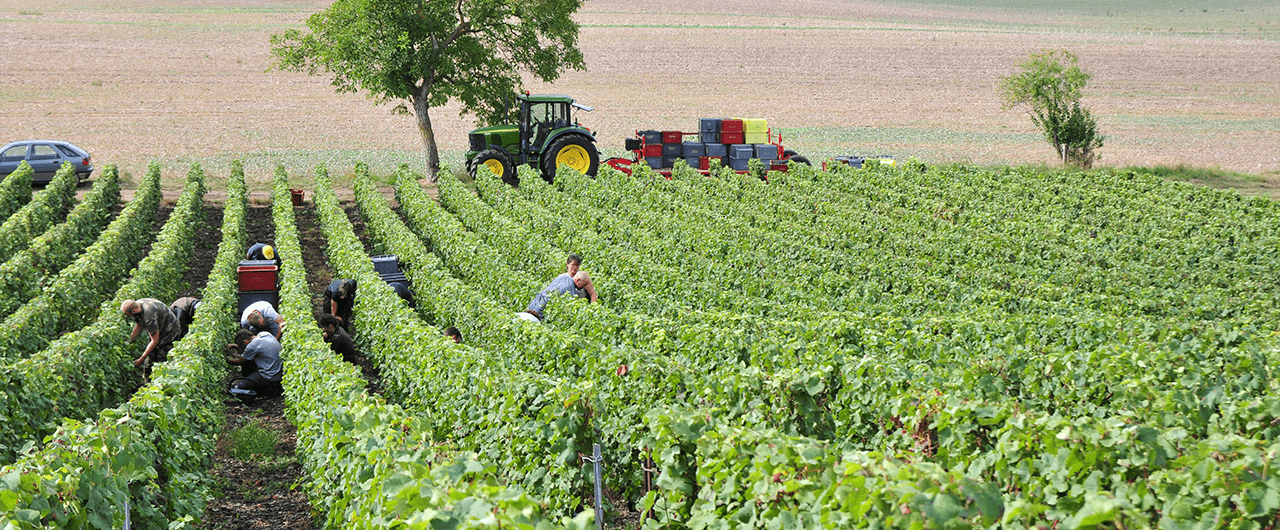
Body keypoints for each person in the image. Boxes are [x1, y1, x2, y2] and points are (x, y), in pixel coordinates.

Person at [518, 256, 597, 324]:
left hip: (533, 305)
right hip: (539, 313)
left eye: (577, 266)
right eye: (582, 285)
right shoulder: (570, 287)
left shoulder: (562, 278)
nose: (581, 287)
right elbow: (571, 307)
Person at [121, 298, 182, 377]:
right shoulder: (137, 305)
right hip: (158, 329)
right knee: (149, 361)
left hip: (169, 332)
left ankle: (160, 382)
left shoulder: (148, 315)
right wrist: (129, 340)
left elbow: (155, 340)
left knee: (162, 361)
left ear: (133, 311)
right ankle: (147, 382)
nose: (126, 316)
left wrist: (141, 359)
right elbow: (139, 326)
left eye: (126, 314)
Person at [226, 329, 284, 397]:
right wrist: (235, 346)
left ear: (246, 342)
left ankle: (252, 396)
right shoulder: (265, 334)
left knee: (238, 388)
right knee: (248, 364)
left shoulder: (252, 345)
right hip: (279, 371)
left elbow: (241, 361)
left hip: (270, 375)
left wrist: (226, 360)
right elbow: (247, 353)